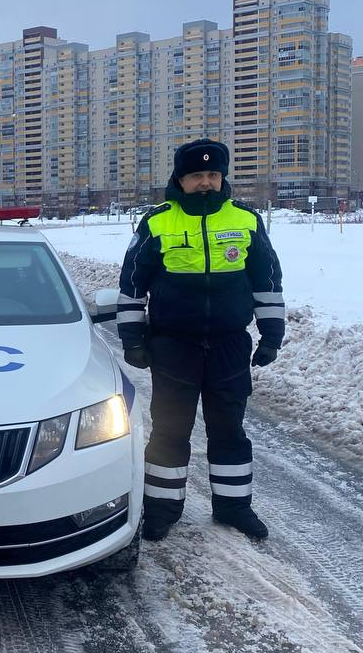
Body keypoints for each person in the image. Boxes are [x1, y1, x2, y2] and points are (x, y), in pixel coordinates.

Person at [117, 138, 284, 542]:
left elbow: (267, 282)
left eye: (213, 174)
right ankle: (161, 509)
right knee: (170, 431)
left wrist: (271, 335)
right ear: (181, 178)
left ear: (222, 176)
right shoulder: (157, 222)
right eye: (197, 175)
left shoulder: (245, 220)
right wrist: (133, 340)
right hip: (174, 346)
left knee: (229, 429)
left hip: (229, 345)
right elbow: (132, 287)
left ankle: (233, 506)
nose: (206, 182)